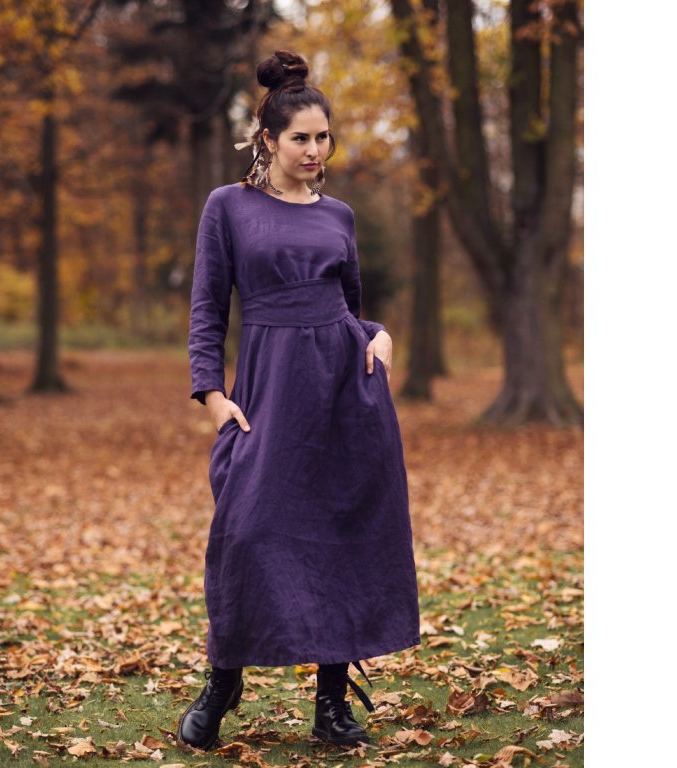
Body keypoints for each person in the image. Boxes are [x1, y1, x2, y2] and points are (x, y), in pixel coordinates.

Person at [179, 50, 421, 752]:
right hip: (268, 394)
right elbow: (206, 310)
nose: (315, 151)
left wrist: (379, 336)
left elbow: (350, 308)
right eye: (300, 138)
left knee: (343, 533)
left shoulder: (339, 215)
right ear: (268, 140)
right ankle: (223, 680)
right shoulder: (228, 207)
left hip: (346, 396)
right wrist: (212, 394)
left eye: (323, 137)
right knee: (245, 533)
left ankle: (331, 704)